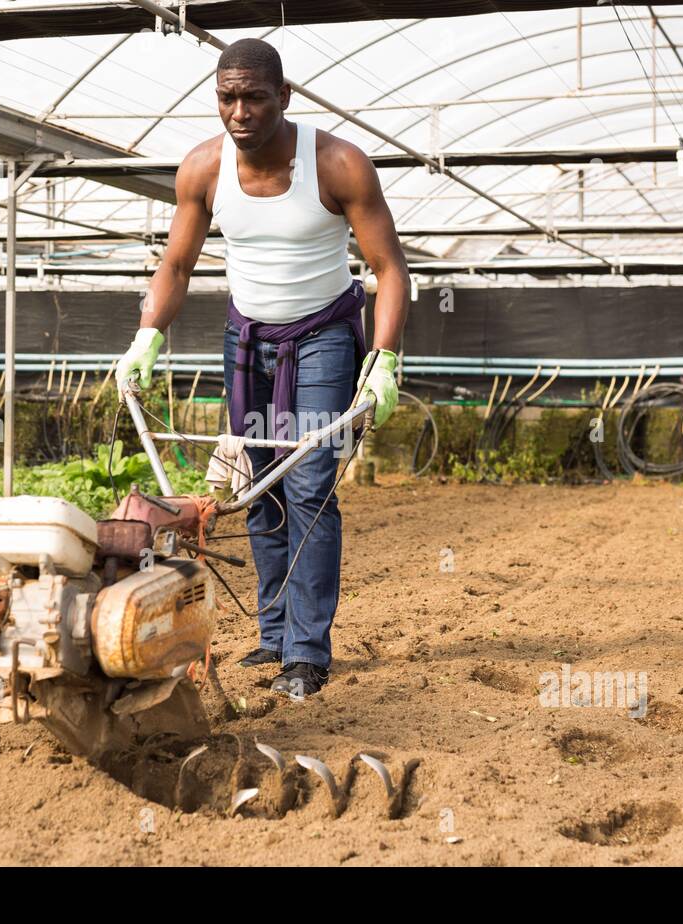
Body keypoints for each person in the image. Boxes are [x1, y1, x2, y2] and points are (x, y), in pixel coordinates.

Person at [116, 37, 409, 697]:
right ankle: (274, 633)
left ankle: (307, 654)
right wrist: (147, 335)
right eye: (227, 98)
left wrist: (385, 359)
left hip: (325, 337)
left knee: (309, 483)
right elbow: (178, 264)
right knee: (258, 486)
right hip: (247, 340)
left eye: (253, 97)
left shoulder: (337, 164)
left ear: (285, 96)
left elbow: (391, 269)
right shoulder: (202, 169)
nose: (239, 111)